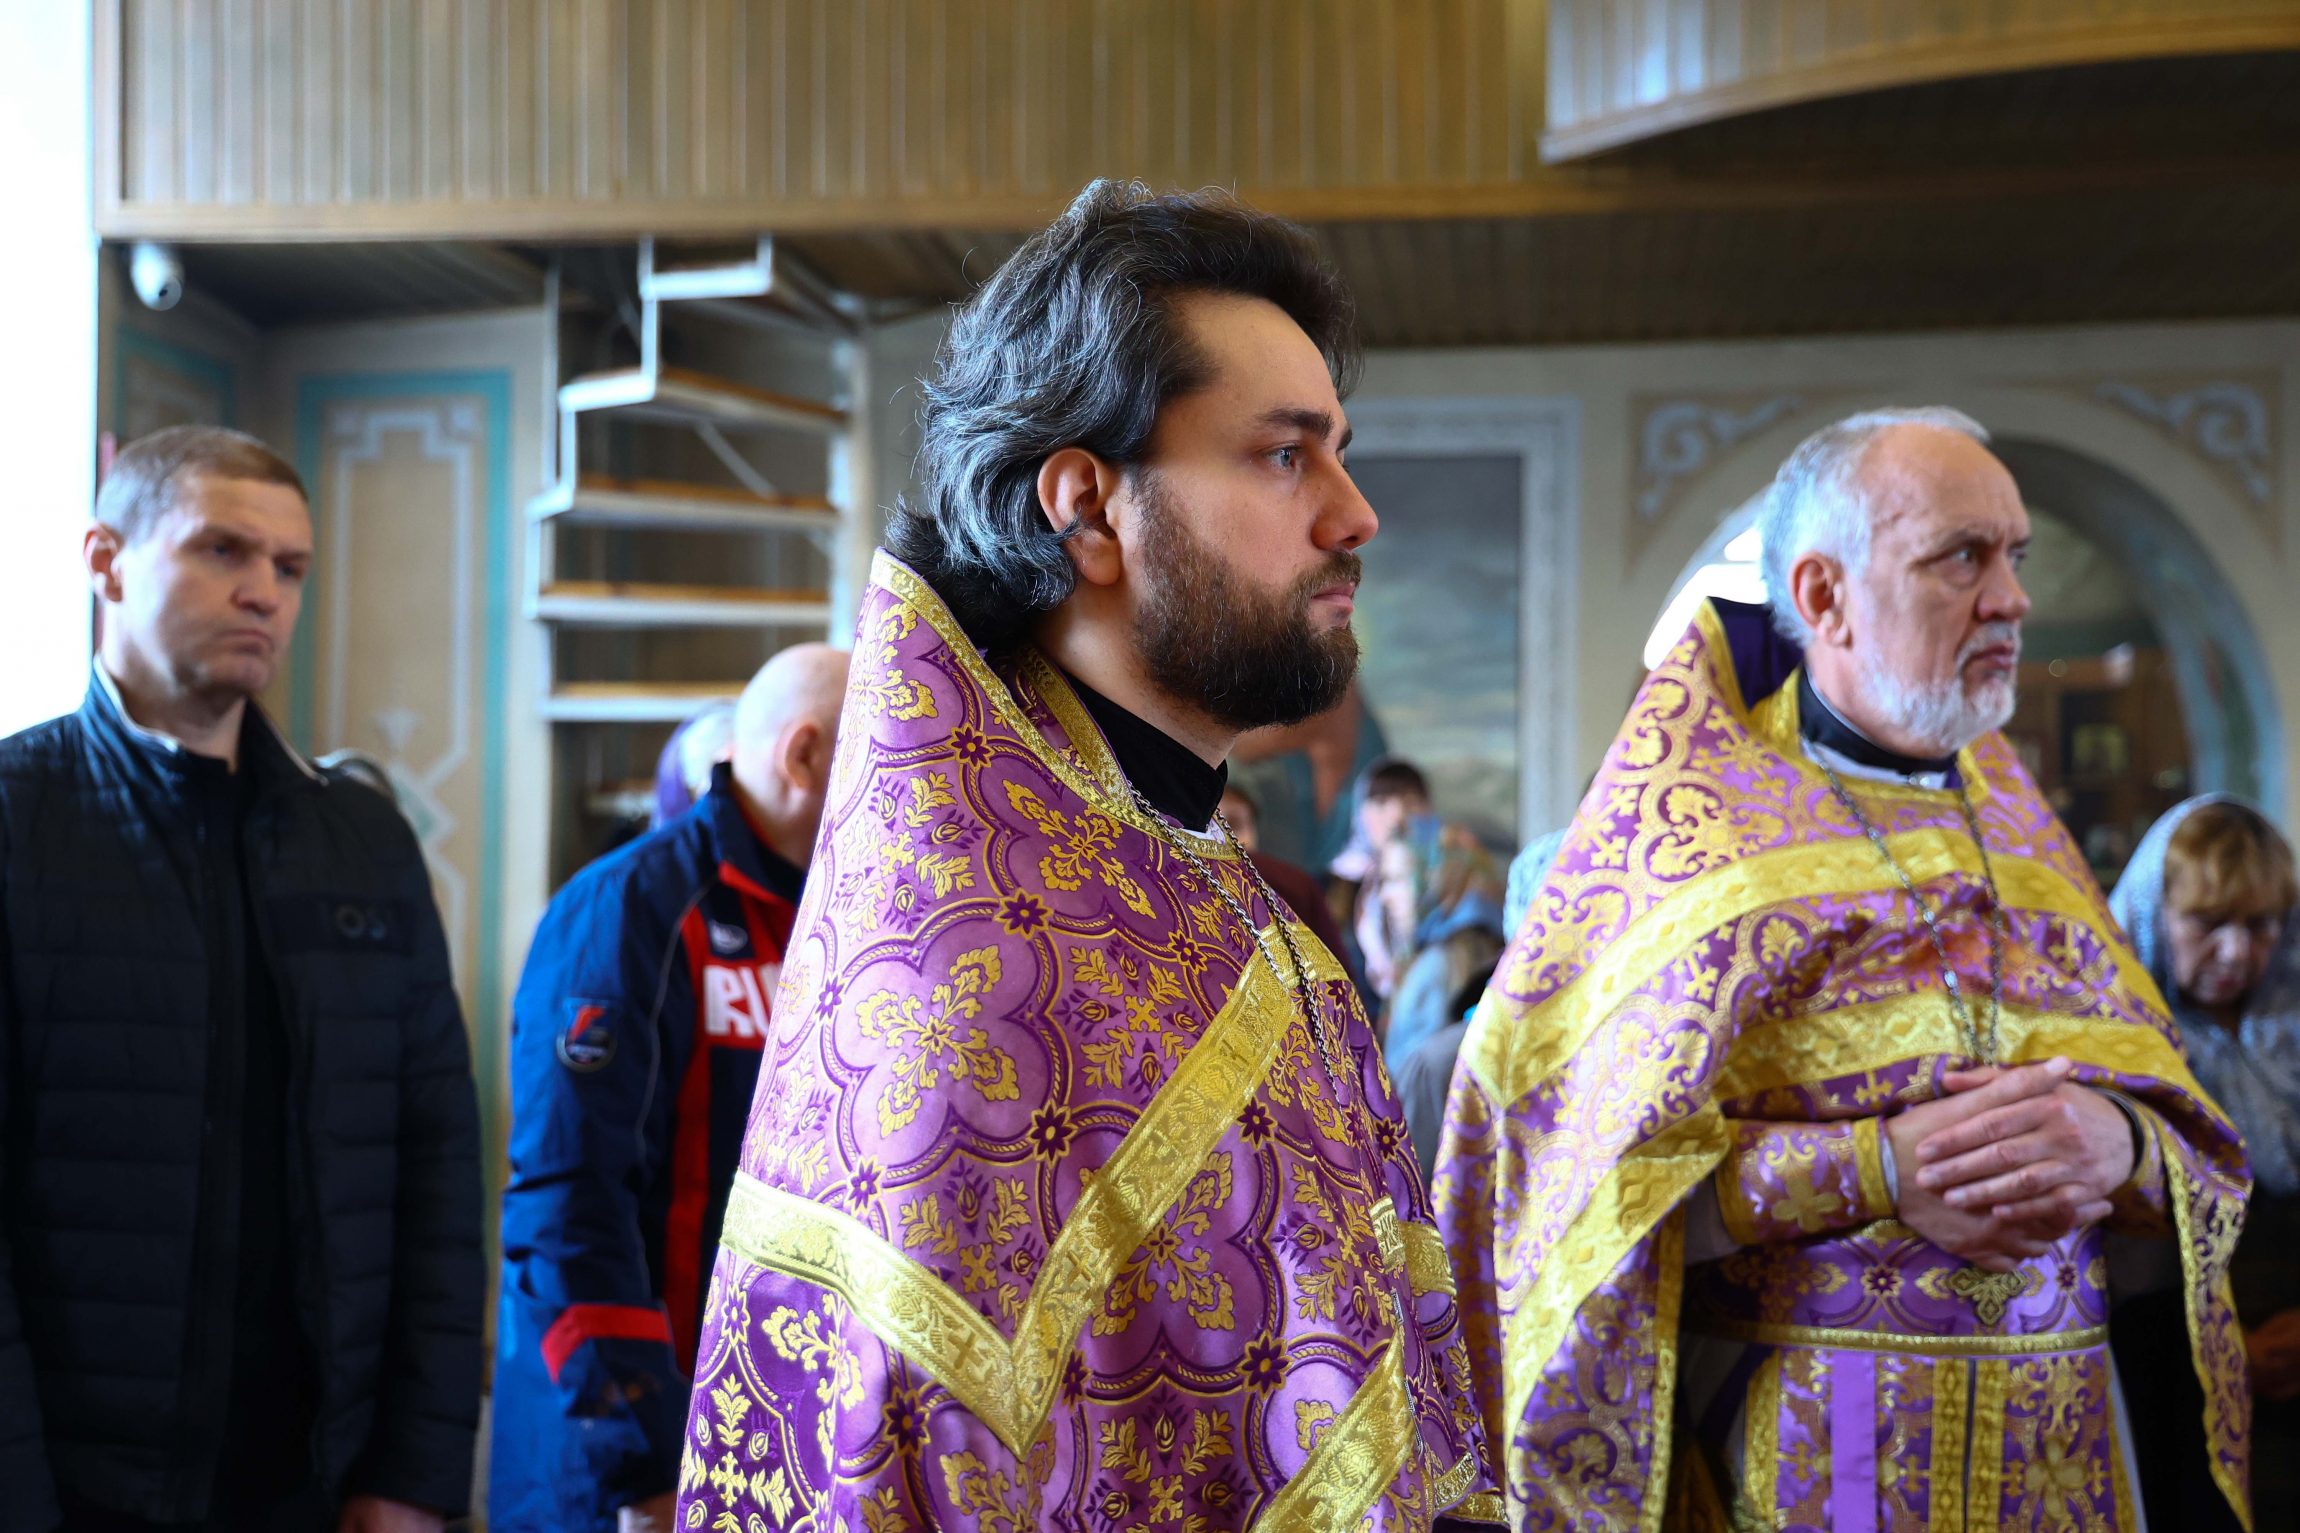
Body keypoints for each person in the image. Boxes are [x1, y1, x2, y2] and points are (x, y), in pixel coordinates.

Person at [674, 181, 1500, 1531]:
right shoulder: (977, 964)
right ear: (1088, 508)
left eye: (1338, 454)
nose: (1353, 514)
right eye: (1283, 457)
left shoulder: (1202, 889)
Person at [1433, 407, 2251, 1528]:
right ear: (1823, 596)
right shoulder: (1689, 844)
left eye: (2013, 556)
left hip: (2063, 1457)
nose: (2012, 597)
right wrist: (1875, 1167)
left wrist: (2122, 1145)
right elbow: (1565, 1195)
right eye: (1961, 557)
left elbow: (2194, 1145)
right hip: (1816, 1464)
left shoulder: (2027, 840)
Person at [0, 425, 484, 1532]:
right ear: (106, 562)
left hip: (314, 1480)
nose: (264, 591)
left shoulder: (362, 838)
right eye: (222, 549)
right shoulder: (18, 818)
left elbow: (434, 1167)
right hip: (78, 1483)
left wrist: (414, 1473)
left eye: (290, 566)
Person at [492, 644, 851, 1533]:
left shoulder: (848, 918)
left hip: (782, 1443)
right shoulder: (626, 909)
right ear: (804, 756)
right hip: (622, 1464)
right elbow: (569, 1208)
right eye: (884, 751)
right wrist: (646, 1461)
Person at [2109, 796, 2300, 1531]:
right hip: (2170, 1368)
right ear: (2153, 914)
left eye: (2261, 924)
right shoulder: (2117, 1042)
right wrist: (2231, 1350)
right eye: (2207, 922)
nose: (2235, 952)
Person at [1218, 779, 1349, 961]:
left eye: (1234, 825)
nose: (1222, 838)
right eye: (1211, 828)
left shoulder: (1294, 887)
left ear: (1254, 830)